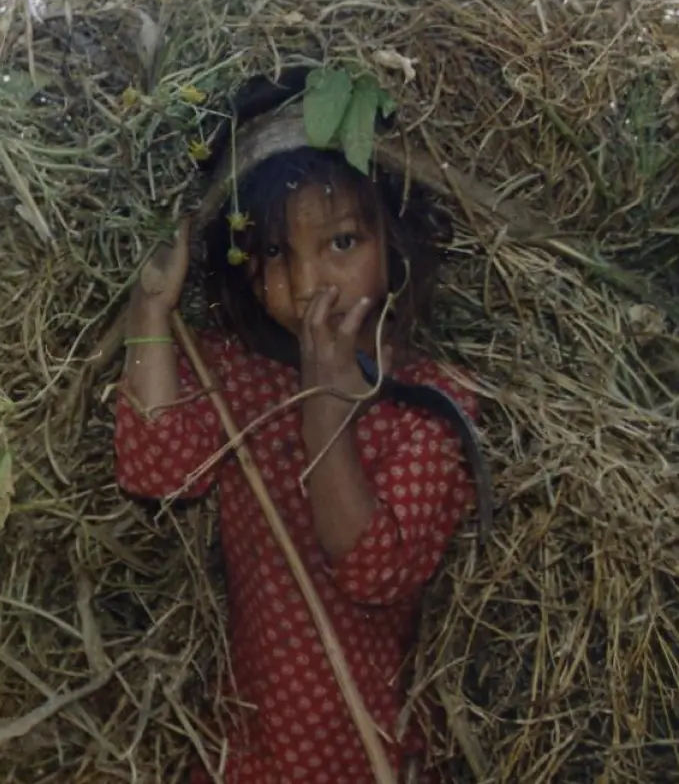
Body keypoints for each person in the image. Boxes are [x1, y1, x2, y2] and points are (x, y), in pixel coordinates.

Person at [114, 81, 482, 783]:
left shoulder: (428, 402)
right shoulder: (242, 378)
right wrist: (151, 311)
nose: (309, 279)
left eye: (341, 241)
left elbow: (372, 570)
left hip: (375, 751)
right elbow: (156, 469)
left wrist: (323, 401)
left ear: (392, 242)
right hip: (248, 751)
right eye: (277, 253)